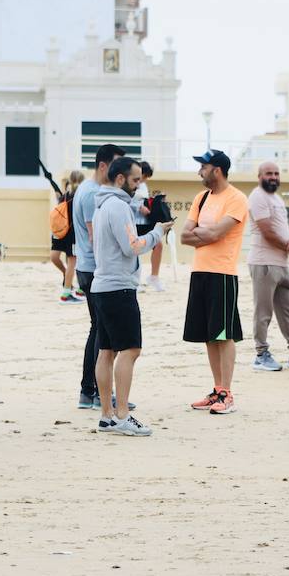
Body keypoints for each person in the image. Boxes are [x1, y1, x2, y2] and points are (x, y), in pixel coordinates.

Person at [90, 157, 173, 436]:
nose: (139, 185)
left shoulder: (102, 205)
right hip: (119, 288)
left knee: (106, 351)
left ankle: (107, 416)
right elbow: (132, 247)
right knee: (130, 350)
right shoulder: (118, 206)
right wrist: (157, 232)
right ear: (120, 178)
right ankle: (122, 415)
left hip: (103, 286)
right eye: (136, 179)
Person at [182, 149, 249, 415]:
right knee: (209, 335)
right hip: (200, 271)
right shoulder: (201, 198)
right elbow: (184, 236)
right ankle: (217, 389)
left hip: (223, 273)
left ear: (217, 170)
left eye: (203, 167)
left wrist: (204, 234)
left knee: (224, 334)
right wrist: (207, 234)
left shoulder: (237, 198)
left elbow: (218, 234)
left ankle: (227, 393)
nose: (200, 171)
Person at [74, 144, 126, 409]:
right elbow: (96, 237)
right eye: (116, 166)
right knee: (103, 334)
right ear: (103, 166)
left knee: (98, 330)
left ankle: (88, 391)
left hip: (88, 267)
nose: (120, 172)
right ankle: (97, 393)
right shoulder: (92, 193)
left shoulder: (89, 189)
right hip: (94, 269)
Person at [247, 161, 289, 372]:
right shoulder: (257, 196)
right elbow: (267, 232)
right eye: (269, 173)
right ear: (259, 176)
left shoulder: (276, 198)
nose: (273, 177)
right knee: (263, 312)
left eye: (276, 173)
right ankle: (261, 354)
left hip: (281, 263)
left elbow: (284, 227)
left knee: (288, 311)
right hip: (263, 262)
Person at [133, 160, 168, 291]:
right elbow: (126, 200)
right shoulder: (130, 182)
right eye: (145, 175)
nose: (145, 178)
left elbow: (144, 201)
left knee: (158, 245)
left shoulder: (143, 186)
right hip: (133, 222)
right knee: (134, 251)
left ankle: (154, 277)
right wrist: (138, 207)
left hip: (145, 222)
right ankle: (134, 281)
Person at [51, 169, 83, 304]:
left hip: (59, 230)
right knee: (72, 263)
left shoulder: (65, 195)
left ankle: (73, 285)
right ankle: (66, 293)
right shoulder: (80, 195)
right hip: (72, 233)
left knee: (55, 257)